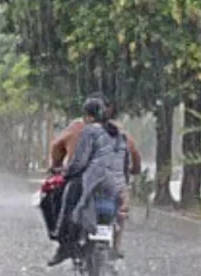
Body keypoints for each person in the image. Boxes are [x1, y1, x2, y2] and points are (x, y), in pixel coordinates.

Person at [49, 94, 141, 258]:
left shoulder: (87, 130)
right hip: (117, 184)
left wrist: (66, 172)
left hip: (92, 181)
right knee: (122, 211)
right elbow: (130, 158)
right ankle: (117, 246)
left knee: (68, 197)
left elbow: (80, 161)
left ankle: (64, 242)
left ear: (88, 116)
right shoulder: (120, 133)